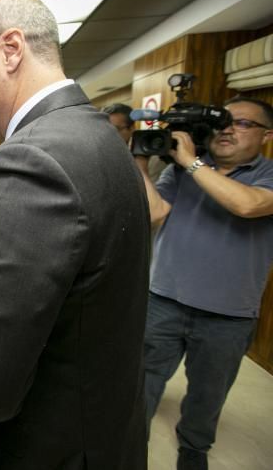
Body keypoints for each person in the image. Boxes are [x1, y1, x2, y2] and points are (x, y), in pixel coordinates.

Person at [0, 0, 150, 469]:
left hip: (43, 448)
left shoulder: (27, 162)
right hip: (101, 430)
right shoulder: (98, 134)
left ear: (11, 50)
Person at [137, 96, 273, 470]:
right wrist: (141, 163)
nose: (228, 128)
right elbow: (153, 213)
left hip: (228, 316)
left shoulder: (266, 175)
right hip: (163, 299)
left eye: (244, 123)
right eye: (224, 121)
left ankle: (193, 450)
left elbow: (246, 205)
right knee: (142, 382)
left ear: (266, 135)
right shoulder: (182, 172)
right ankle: (130, 446)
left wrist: (191, 162)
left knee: (207, 396)